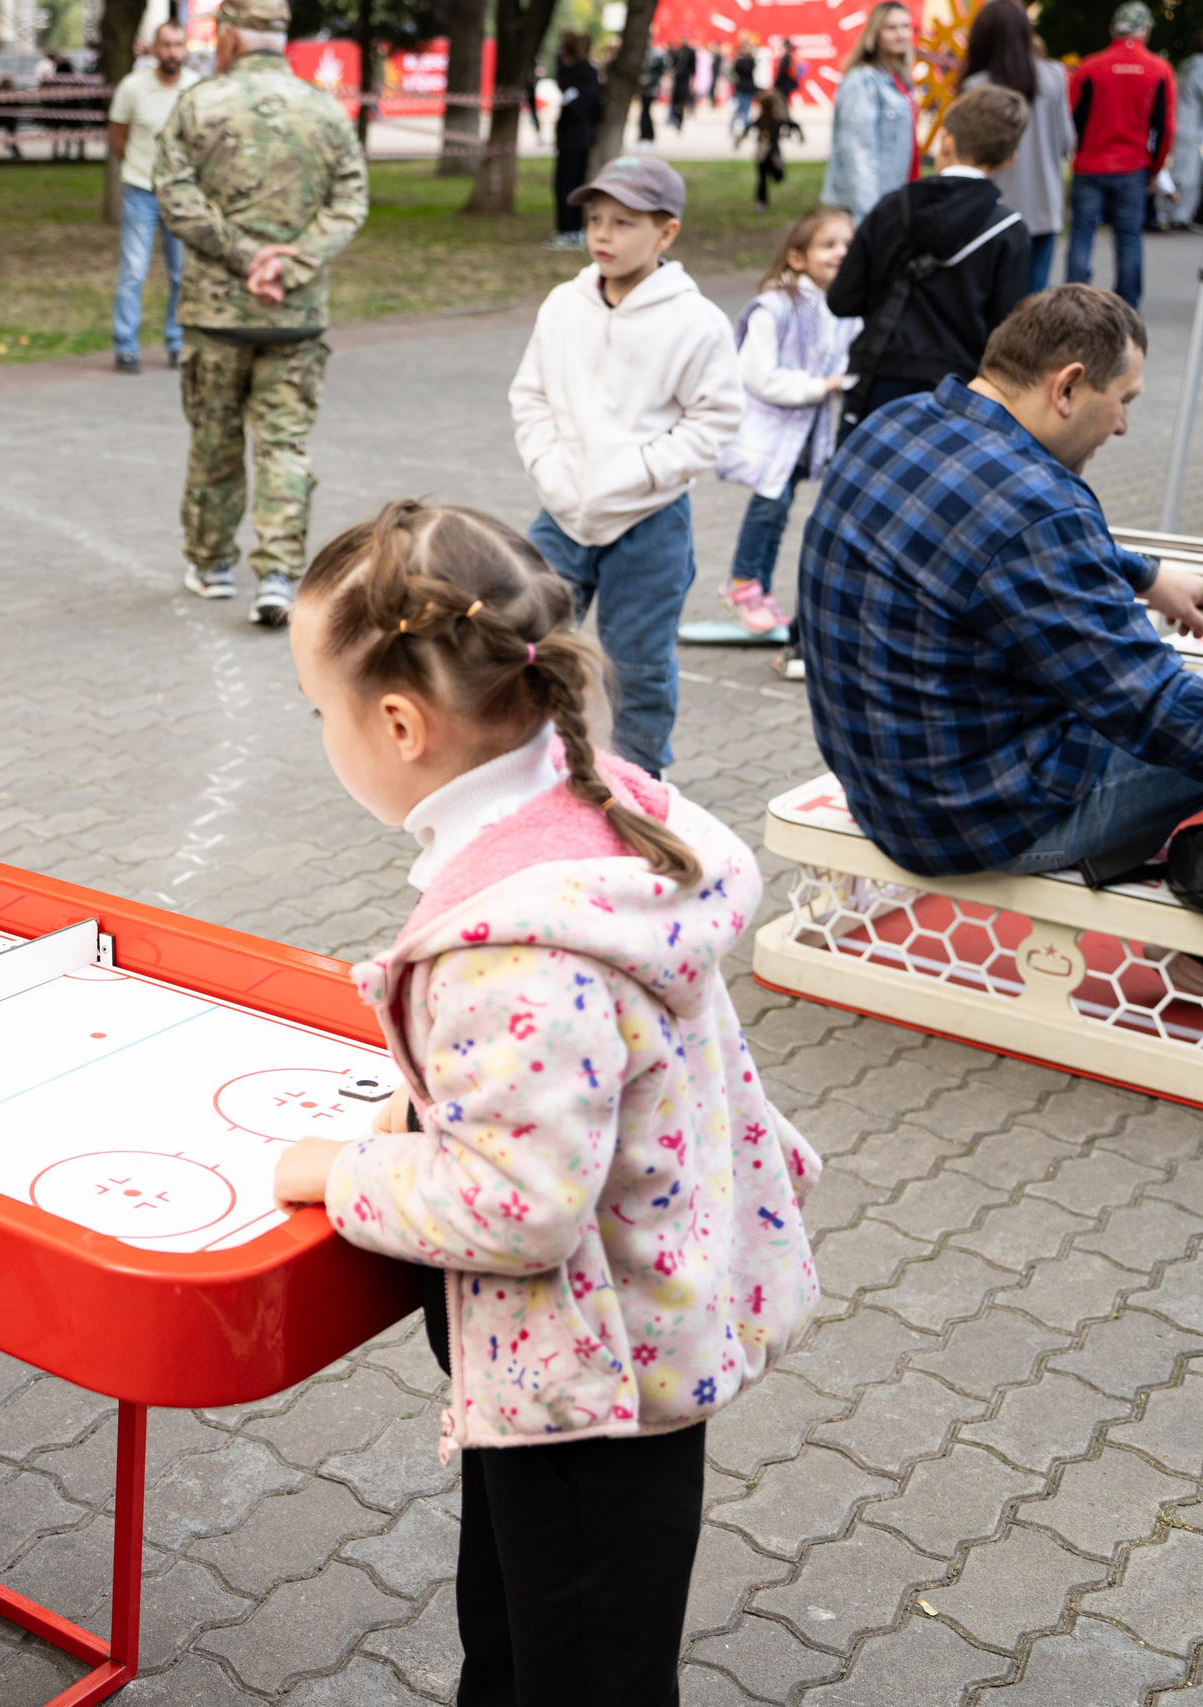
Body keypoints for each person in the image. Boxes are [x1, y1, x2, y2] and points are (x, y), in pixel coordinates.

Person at [270, 500, 821, 1705]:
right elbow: (592, 1077)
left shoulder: (506, 946)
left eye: (322, 712)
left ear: (401, 724)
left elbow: (520, 1207)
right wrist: (425, 1120)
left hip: (589, 1389)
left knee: (573, 1668)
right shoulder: (592, 804)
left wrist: (338, 1173)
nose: (321, 733)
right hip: (607, 1347)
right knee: (518, 1642)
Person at [799, 284, 1203, 887]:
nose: (1122, 426)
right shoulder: (1040, 510)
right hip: (977, 825)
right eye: (1124, 400)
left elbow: (976, 538)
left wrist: (1146, 574)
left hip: (884, 789)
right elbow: (1155, 710)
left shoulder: (895, 423)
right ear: (1066, 387)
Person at [509, 155, 742, 776]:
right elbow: (529, 394)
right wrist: (549, 467)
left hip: (650, 523)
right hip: (561, 515)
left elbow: (715, 420)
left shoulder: (696, 323)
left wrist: (640, 471)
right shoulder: (563, 305)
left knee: (638, 663)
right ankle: (530, 769)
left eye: (624, 222)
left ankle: (640, 780)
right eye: (594, 220)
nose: (603, 235)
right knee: (527, 644)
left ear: (666, 232)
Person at [152, 0, 369, 628]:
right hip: (295, 314)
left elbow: (174, 193)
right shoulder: (325, 110)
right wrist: (292, 263)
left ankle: (212, 563)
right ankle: (278, 574)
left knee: (214, 442)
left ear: (227, 37)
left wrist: (244, 254)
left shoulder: (199, 104)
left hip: (218, 312)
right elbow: (351, 199)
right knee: (285, 444)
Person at [830, 85, 1032, 433]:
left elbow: (842, 299)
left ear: (946, 141)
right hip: (959, 391)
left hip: (879, 378)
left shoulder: (892, 206)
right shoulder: (1009, 231)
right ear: (1008, 159)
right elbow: (1006, 335)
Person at [716, 207, 858, 637]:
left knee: (778, 511)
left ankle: (759, 590)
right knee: (768, 507)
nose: (841, 253)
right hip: (772, 432)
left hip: (806, 436)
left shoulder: (844, 308)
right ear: (797, 258)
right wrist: (821, 385)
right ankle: (741, 584)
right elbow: (759, 377)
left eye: (848, 245)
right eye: (829, 244)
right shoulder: (775, 308)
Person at [1066, 0, 1176, 309]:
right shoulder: (1159, 69)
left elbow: (1073, 116)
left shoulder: (1090, 66)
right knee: (1128, 238)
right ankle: (1127, 310)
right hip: (1132, 167)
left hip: (1090, 164)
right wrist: (1154, 170)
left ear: (1113, 28)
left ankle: (1074, 306)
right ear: (1146, 30)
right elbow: (1166, 128)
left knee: (1081, 236)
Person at [964, 0, 1070, 289]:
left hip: (994, 209)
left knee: (993, 300)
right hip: (1045, 206)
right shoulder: (1055, 76)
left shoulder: (977, 86)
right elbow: (1066, 142)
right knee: (1032, 305)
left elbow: (969, 156)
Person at [106, 20, 193, 374]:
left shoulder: (195, 89)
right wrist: (141, 171)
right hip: (141, 192)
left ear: (185, 49)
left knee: (182, 274)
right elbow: (117, 139)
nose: (172, 52)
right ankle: (126, 346)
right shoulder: (132, 87)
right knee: (133, 272)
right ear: (154, 49)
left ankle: (177, 343)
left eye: (178, 45)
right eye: (166, 45)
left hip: (182, 193)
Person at [824, 2, 918, 225]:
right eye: (891, 28)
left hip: (899, 193)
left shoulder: (899, 77)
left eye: (905, 27)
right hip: (875, 203)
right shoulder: (863, 80)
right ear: (875, 33)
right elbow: (859, 154)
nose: (901, 34)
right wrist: (871, 218)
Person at [547, 32, 602, 251]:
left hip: (573, 138)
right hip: (583, 137)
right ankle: (573, 229)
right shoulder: (590, 74)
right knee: (575, 183)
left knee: (565, 184)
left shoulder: (575, 76)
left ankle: (568, 229)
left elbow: (576, 107)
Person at [751, 88, 804, 209]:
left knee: (775, 176)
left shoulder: (776, 119)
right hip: (764, 153)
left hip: (772, 153)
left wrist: (800, 136)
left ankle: (761, 202)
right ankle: (761, 202)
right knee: (763, 178)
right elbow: (793, 125)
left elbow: (792, 125)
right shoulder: (763, 119)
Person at [1175, 47, 1203, 227]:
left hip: (1180, 124)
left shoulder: (1187, 65)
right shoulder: (1200, 68)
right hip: (1191, 129)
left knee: (1182, 173)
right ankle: (1179, 217)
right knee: (1188, 177)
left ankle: (1175, 215)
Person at [729, 41, 759, 141]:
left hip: (748, 88)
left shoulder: (749, 60)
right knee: (741, 109)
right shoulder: (741, 61)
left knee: (745, 109)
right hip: (742, 88)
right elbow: (742, 70)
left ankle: (745, 129)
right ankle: (735, 127)